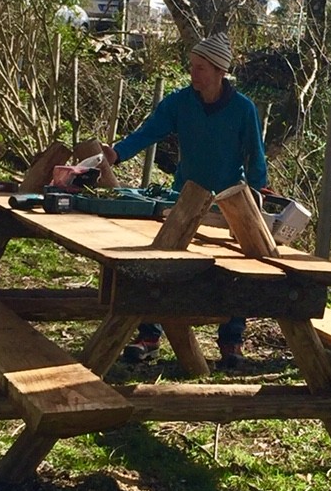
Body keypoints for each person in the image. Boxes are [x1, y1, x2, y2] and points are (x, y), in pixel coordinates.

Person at [102, 32, 268, 370]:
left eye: (201, 68)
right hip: (184, 198)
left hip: (229, 204)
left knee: (237, 272)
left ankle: (231, 343)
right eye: (192, 67)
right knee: (163, 262)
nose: (194, 74)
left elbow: (255, 155)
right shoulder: (180, 103)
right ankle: (149, 335)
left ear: (220, 71)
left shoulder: (243, 109)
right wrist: (116, 153)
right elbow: (148, 132)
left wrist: (259, 192)